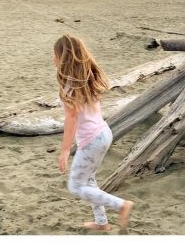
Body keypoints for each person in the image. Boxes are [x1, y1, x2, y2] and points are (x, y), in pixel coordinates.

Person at [54, 33, 134, 232]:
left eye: (54, 54)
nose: (52, 59)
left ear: (63, 57)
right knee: (89, 180)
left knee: (75, 186)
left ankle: (121, 205)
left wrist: (65, 150)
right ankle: (102, 223)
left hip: (92, 140)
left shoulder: (71, 85)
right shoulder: (86, 78)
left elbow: (71, 119)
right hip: (102, 134)